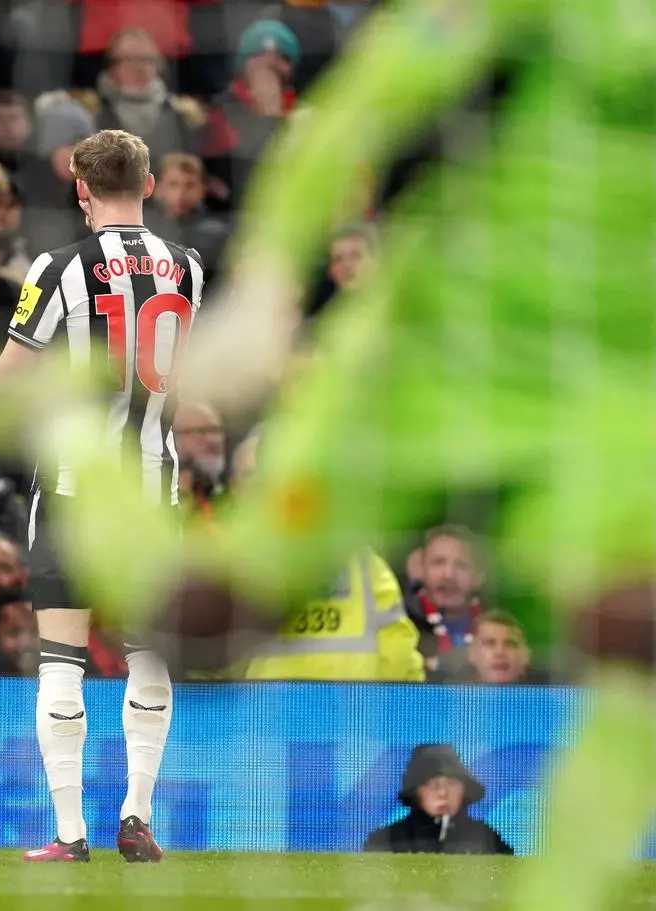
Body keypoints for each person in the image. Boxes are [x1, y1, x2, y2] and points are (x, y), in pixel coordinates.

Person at [39, 1, 656, 906]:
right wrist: (270, 285)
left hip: (592, 400)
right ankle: (63, 427)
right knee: (201, 624)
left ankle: (562, 894)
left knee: (632, 631)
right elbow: (358, 111)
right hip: (411, 364)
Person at [0, 129, 205, 862]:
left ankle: (68, 833)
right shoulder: (187, 267)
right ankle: (139, 814)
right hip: (155, 490)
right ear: (150, 184)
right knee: (149, 653)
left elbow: (15, 367)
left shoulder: (59, 268)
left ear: (78, 186)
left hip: (72, 486)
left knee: (62, 656)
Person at [364, 744, 513, 855]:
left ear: (464, 790)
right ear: (416, 792)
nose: (442, 792)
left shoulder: (488, 840)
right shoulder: (386, 841)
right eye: (431, 784)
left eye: (451, 783)